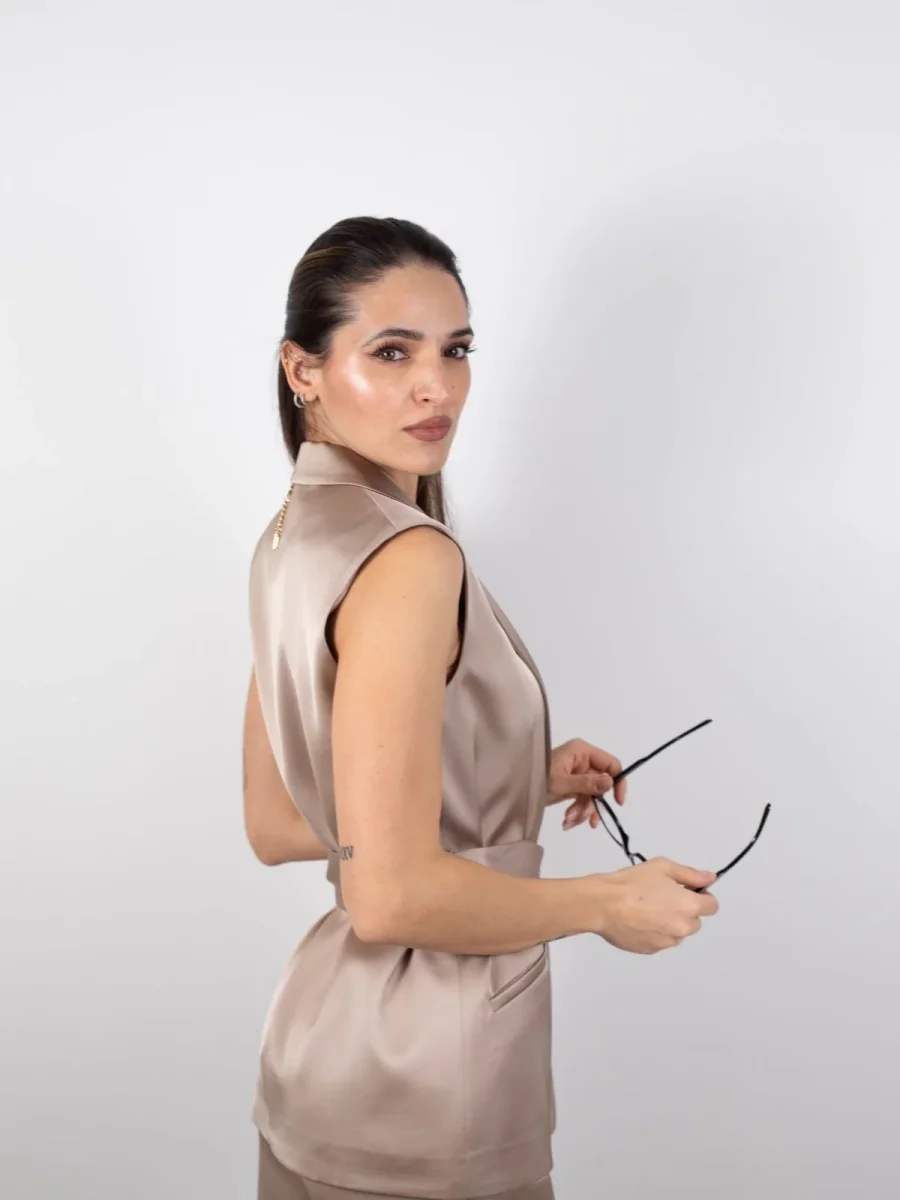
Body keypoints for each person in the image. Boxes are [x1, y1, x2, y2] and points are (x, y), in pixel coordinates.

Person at [242, 216, 720, 1200]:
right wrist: (609, 902)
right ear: (303, 369)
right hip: (433, 1078)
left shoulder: (291, 535)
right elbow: (389, 897)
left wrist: (509, 780)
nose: (438, 387)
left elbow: (283, 820)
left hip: (322, 1057)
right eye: (392, 352)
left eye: (455, 351)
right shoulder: (409, 558)